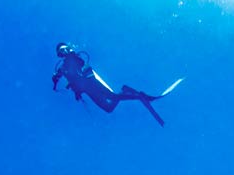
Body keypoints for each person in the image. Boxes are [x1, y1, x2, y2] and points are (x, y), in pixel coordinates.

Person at [51, 43, 182, 127]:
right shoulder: (63, 68)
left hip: (90, 82)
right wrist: (56, 79)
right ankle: (125, 90)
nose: (61, 53)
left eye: (62, 50)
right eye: (59, 52)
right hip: (86, 90)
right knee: (108, 109)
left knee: (113, 97)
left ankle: (140, 95)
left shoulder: (72, 57)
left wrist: (67, 51)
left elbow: (75, 58)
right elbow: (63, 77)